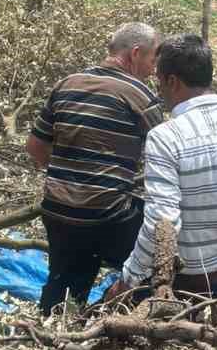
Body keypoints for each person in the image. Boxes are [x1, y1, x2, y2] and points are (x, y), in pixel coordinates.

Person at [108, 33, 217, 299]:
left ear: (172, 81)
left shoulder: (165, 137)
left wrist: (128, 280)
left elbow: (163, 224)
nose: (158, 90)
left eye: (159, 81)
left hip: (193, 281)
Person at [26, 22, 163, 315]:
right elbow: (168, 153)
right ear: (136, 53)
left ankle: (51, 336)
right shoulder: (140, 95)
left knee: (65, 281)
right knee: (160, 261)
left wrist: (71, 175)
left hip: (57, 209)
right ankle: (115, 325)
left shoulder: (67, 83)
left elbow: (35, 148)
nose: (154, 70)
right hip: (107, 216)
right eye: (153, 60)